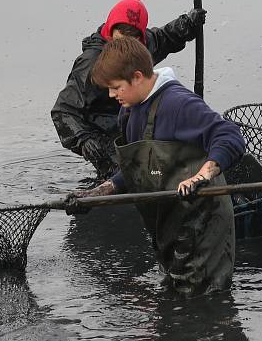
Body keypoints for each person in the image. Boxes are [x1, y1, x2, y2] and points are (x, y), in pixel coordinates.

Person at [64, 37, 245, 296]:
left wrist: (202, 176)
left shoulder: (178, 104)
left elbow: (230, 136)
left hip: (203, 221)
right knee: (172, 299)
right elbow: (137, 168)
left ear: (137, 77)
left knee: (201, 305)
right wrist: (96, 194)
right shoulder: (129, 111)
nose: (111, 95)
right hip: (169, 224)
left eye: (116, 87)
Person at [51, 0, 205, 180]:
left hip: (128, 121)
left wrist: (186, 24)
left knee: (155, 165)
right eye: (120, 33)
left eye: (132, 35)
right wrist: (83, 139)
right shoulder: (91, 62)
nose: (125, 40)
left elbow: (163, 38)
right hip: (98, 131)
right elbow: (63, 111)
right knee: (123, 174)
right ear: (111, 29)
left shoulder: (138, 47)